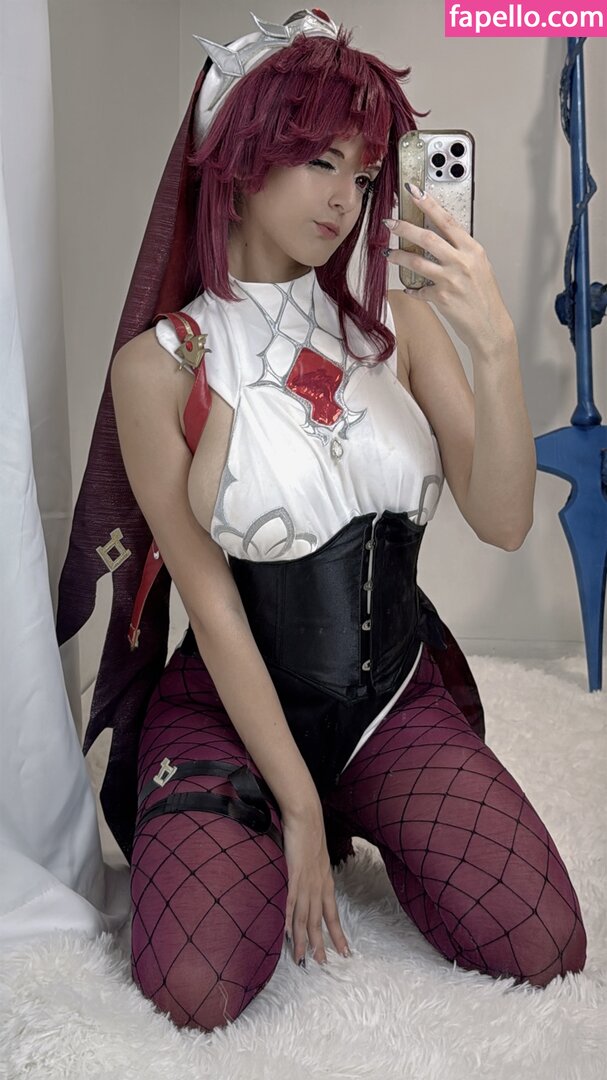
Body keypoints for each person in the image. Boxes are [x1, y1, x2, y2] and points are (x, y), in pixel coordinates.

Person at [56, 10, 586, 1032]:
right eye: (317, 161)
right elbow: (210, 603)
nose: (345, 197)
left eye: (364, 170)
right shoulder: (159, 365)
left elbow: (504, 520)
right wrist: (295, 806)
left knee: (542, 943)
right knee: (196, 988)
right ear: (239, 159)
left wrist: (493, 343)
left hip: (389, 698)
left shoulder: (398, 325)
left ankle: (362, 795)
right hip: (228, 706)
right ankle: (304, 804)